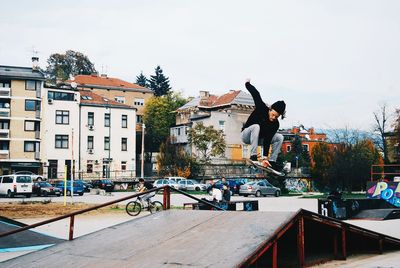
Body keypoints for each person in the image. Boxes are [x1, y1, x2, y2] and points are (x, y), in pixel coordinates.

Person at [241, 79, 286, 174]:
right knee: (256, 127)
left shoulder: (275, 124)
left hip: (259, 140)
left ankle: (272, 161)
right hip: (246, 135)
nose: (273, 118)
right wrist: (247, 84)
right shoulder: (261, 107)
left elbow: (268, 140)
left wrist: (265, 157)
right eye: (273, 114)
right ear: (270, 109)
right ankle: (253, 155)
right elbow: (255, 94)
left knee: (280, 137)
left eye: (276, 116)